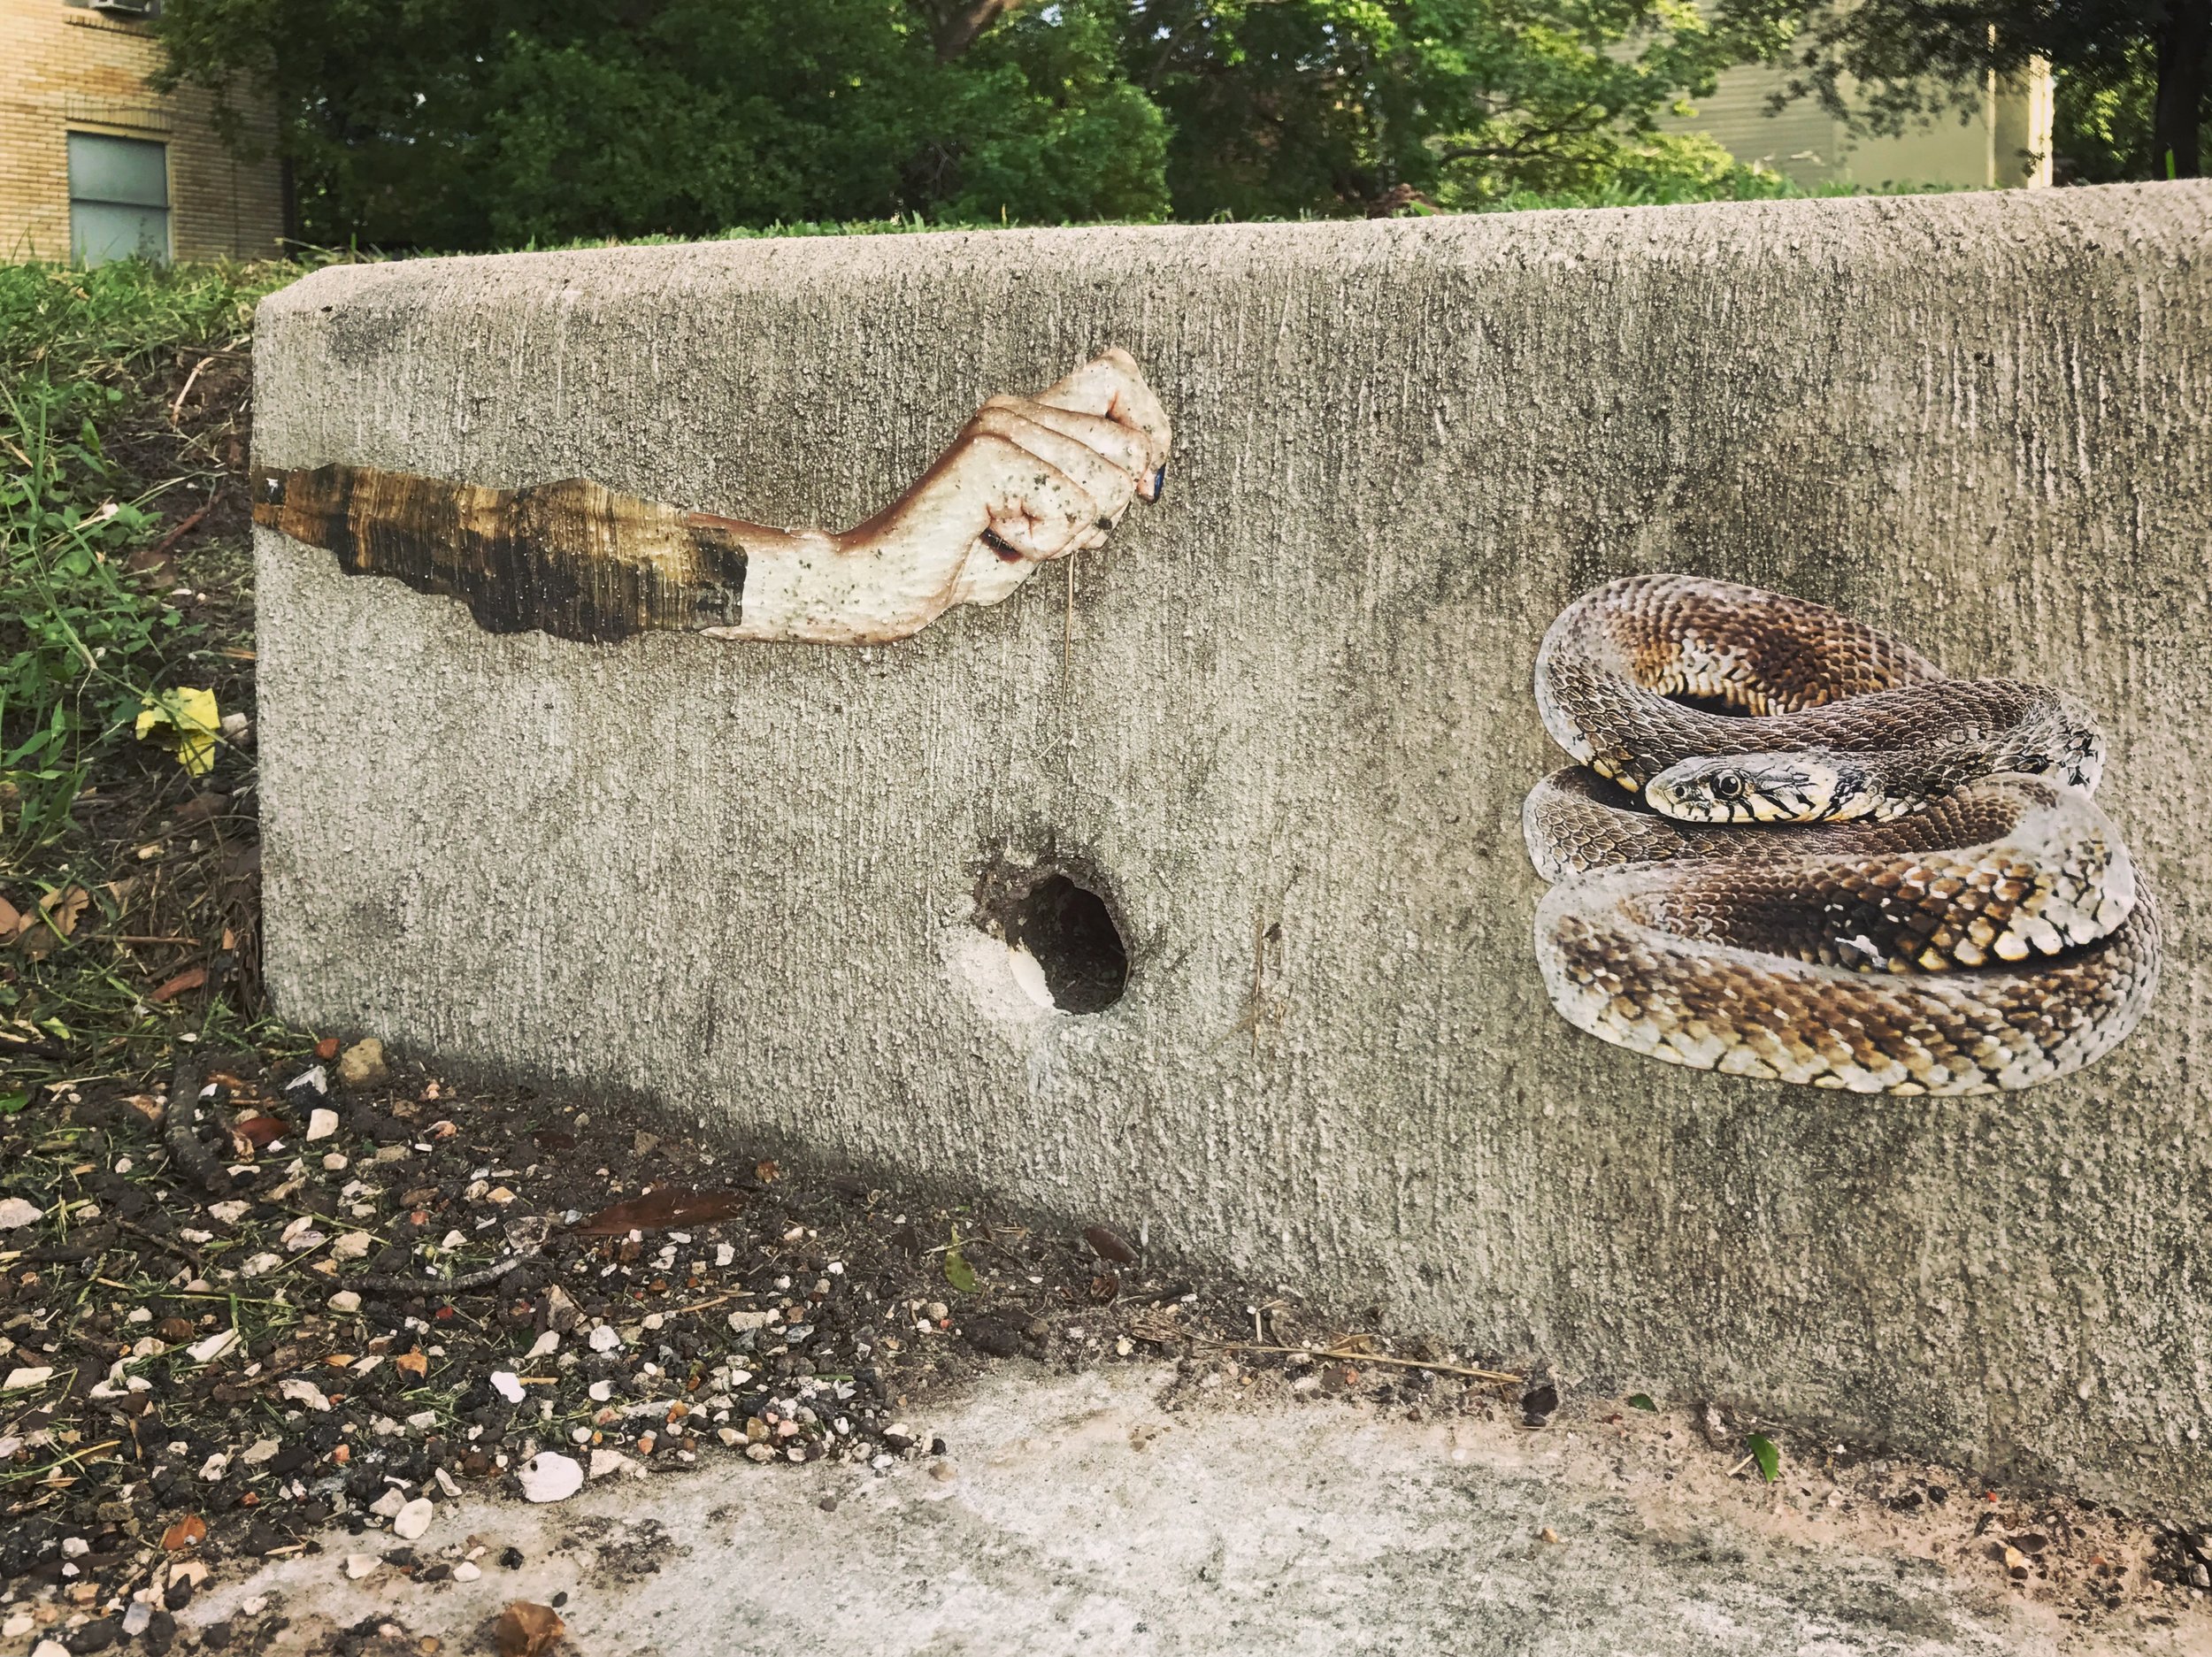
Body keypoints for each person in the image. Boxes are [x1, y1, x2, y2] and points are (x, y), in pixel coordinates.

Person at [251, 349, 1171, 647]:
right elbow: (516, 550)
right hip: (272, 497)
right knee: (520, 540)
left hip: (283, 497)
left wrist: (849, 575)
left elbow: (547, 546)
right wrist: (836, 586)